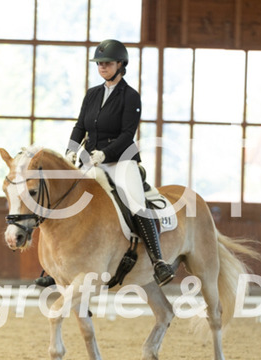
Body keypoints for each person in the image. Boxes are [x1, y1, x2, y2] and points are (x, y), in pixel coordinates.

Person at [35, 39, 175, 288]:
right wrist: (71, 151)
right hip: (91, 160)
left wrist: (105, 154)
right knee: (67, 198)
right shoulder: (92, 94)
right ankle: (53, 266)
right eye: (99, 63)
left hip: (121, 161)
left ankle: (158, 261)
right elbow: (80, 126)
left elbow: (127, 134)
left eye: (107, 63)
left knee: (135, 201)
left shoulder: (130, 96)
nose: (102, 67)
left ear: (120, 64)